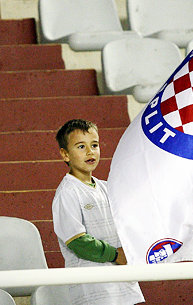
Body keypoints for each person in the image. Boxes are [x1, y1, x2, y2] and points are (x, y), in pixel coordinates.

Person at [52, 119, 145, 305]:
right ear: (65, 154)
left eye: (94, 145)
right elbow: (77, 241)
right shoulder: (67, 193)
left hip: (121, 278)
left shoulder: (106, 187)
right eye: (80, 146)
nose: (89, 151)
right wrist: (115, 254)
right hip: (94, 285)